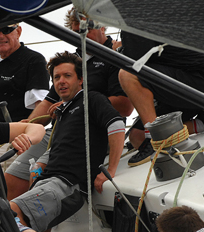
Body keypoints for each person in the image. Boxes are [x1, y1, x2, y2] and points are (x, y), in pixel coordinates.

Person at [10, 11, 133, 198]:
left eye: (87, 30)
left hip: (94, 132)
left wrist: (75, 102)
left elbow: (125, 107)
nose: (82, 37)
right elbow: (48, 102)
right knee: (11, 179)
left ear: (102, 26)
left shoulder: (115, 56)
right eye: (77, 32)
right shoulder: (71, 63)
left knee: (39, 183)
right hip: (60, 131)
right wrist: (27, 127)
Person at [10, 51, 126, 232]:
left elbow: (117, 126)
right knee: (8, 222)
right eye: (56, 77)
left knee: (8, 214)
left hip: (67, 185)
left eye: (67, 76)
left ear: (80, 80)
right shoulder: (63, 111)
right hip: (49, 182)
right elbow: (59, 145)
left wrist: (110, 170)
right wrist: (40, 163)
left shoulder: (92, 99)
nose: (61, 81)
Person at [119, 32, 204, 167]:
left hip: (196, 85)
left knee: (128, 74)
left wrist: (117, 50)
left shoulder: (132, 23)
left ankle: (155, 137)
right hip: (186, 85)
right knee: (136, 136)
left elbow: (132, 63)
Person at [0, 23, 49, 123]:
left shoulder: (34, 61)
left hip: (14, 136)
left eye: (6, 30)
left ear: (18, 31)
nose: (1, 36)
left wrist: (23, 133)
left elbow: (42, 108)